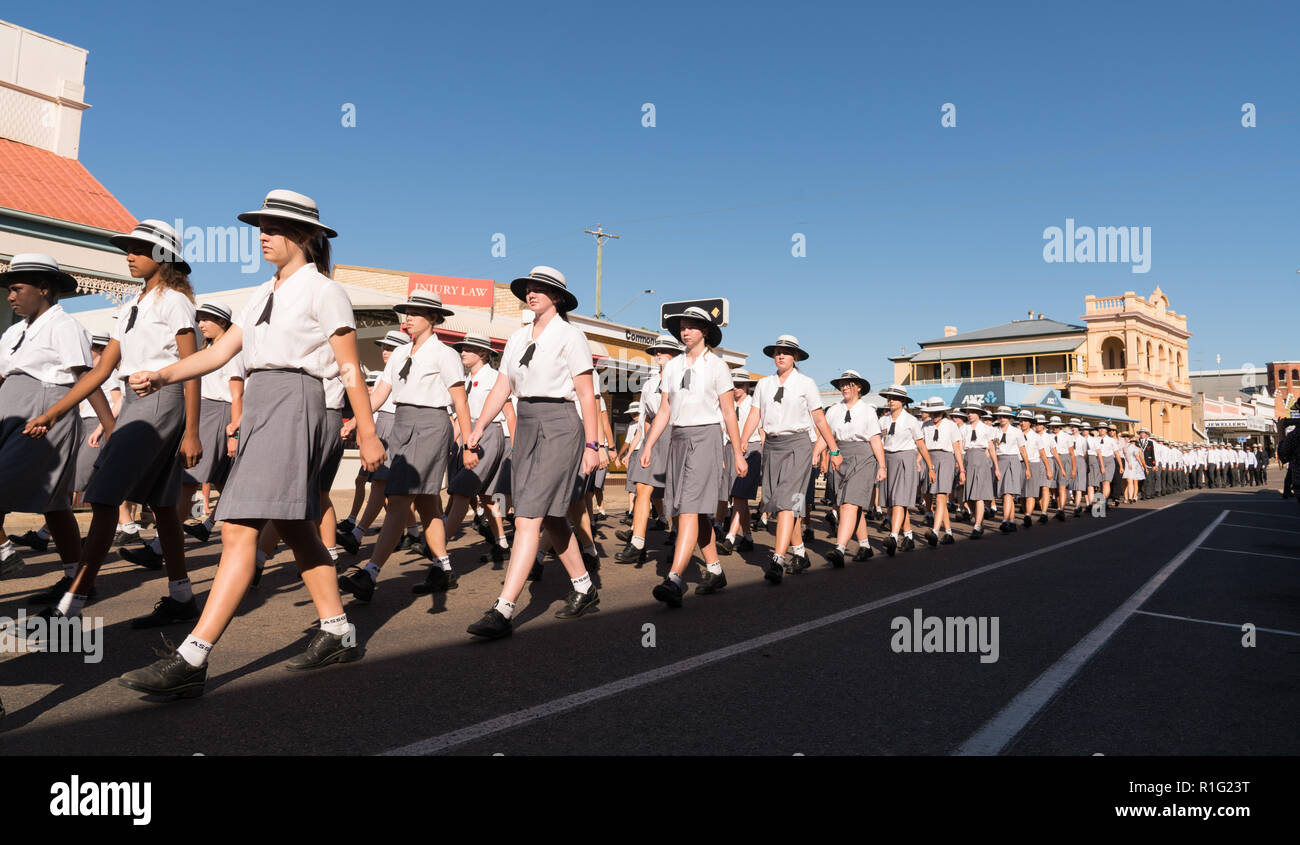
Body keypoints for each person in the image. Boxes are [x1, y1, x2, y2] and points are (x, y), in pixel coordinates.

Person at [117, 189, 385, 698]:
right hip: (265, 400)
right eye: (260, 226)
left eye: (275, 227)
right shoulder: (260, 294)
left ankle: (192, 655)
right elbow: (219, 354)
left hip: (301, 401)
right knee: (294, 525)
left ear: (304, 236)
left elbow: (350, 366)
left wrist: (367, 431)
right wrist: (163, 374)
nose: (263, 235)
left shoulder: (323, 291)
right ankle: (338, 632)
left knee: (239, 526)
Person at [23, 222, 202, 630]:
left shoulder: (175, 302)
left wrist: (192, 430)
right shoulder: (132, 304)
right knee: (162, 505)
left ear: (162, 257)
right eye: (128, 248)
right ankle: (182, 596)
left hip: (162, 399)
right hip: (138, 401)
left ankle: (73, 601)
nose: (128, 254)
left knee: (103, 496)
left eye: (138, 248)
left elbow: (192, 369)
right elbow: (102, 368)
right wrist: (54, 412)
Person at [462, 266, 600, 639]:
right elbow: (501, 387)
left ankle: (503, 608)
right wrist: (476, 429)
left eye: (541, 289)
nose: (532, 293)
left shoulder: (572, 337)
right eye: (529, 288)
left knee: (526, 517)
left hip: (560, 422)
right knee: (552, 516)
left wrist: (593, 444)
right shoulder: (518, 337)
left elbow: (586, 394)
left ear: (557, 297)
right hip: (527, 422)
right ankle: (585, 588)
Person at [337, 291, 475, 601]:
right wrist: (356, 421)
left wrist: (468, 443)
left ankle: (370, 573)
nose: (408, 317)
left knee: (397, 497)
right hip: (401, 423)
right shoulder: (399, 354)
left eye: (416, 312)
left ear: (434, 319)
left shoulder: (445, 354)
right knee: (427, 503)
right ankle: (444, 569)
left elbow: (460, 400)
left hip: (430, 425)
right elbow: (379, 394)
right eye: (406, 312)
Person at [0, 255, 115, 586]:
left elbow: (86, 379)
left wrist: (111, 430)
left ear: (44, 288)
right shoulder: (13, 332)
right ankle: (76, 580)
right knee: (55, 504)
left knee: (50, 499)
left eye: (17, 289)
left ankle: (5, 553)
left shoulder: (66, 327)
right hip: (9, 406)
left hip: (46, 410)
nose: (11, 296)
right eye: (9, 290)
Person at [639, 305, 745, 605]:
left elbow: (728, 412)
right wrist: (648, 445)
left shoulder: (718, 366)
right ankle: (714, 570)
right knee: (691, 510)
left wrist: (737, 452)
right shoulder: (672, 367)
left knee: (688, 508)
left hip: (707, 436)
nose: (685, 331)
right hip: (678, 438)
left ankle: (674, 579)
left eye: (692, 326)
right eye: (682, 326)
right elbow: (664, 410)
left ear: (706, 332)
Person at [739, 334, 841, 578]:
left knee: (787, 501)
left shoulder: (806, 383)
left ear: (795, 357)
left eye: (785, 352)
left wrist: (833, 449)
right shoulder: (764, 384)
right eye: (777, 352)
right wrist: (742, 440)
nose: (780, 355)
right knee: (779, 502)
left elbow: (818, 418)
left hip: (798, 445)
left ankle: (778, 558)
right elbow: (755, 414)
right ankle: (800, 552)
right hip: (772, 446)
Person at [614, 335, 683, 563]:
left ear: (675, 354)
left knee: (676, 493)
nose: (658, 354)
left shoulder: (685, 377)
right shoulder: (650, 384)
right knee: (642, 487)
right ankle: (637, 541)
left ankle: (677, 535)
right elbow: (645, 417)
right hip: (654, 435)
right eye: (656, 351)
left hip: (677, 432)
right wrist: (646, 443)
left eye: (663, 350)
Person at [823, 370, 885, 564]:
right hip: (840, 455)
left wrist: (882, 466)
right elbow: (826, 436)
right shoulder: (833, 410)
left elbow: (875, 439)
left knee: (850, 503)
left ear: (859, 387)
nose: (845, 387)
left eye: (849, 384)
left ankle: (840, 548)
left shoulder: (867, 410)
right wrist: (819, 454)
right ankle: (865, 545)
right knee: (848, 504)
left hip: (863, 456)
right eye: (842, 384)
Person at [918, 398, 963, 546]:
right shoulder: (925, 425)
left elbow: (956, 448)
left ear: (943, 411)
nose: (935, 415)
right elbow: (922, 447)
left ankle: (935, 531)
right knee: (935, 496)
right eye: (932, 412)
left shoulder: (951, 425)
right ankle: (948, 532)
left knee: (941, 495)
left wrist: (961, 469)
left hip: (946, 458)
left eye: (937, 412)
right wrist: (918, 462)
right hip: (930, 459)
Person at [959, 403, 997, 538]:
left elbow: (991, 448)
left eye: (973, 412)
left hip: (981, 459)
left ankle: (978, 525)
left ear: (979, 414)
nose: (969, 414)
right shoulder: (963, 428)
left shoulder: (987, 429)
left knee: (979, 495)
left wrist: (996, 467)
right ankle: (977, 520)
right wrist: (961, 467)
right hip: (968, 459)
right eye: (968, 412)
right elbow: (960, 447)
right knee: (969, 497)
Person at [991, 406, 1030, 533]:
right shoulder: (994, 431)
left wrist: (1027, 468)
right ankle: (1012, 521)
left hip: (1013, 461)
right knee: (1005, 493)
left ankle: (1005, 521)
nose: (1002, 418)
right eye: (1000, 416)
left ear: (1009, 418)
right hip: (999, 461)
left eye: (1005, 416)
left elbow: (1023, 450)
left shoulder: (1016, 432)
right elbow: (991, 449)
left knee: (1008, 492)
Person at [1121, 432, 1146, 502]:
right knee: (1123, 482)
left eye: (1127, 437)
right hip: (1123, 464)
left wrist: (1142, 465)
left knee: (1131, 481)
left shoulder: (1134, 447)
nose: (1125, 438)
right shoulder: (1119, 445)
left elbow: (1138, 457)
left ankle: (1132, 497)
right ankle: (1126, 498)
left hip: (1132, 465)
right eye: (1124, 437)